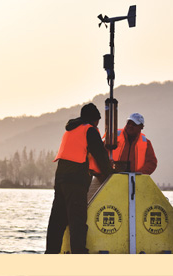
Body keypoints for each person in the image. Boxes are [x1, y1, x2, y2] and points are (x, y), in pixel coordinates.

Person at [45, 103, 113, 254]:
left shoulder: (70, 130)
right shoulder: (89, 130)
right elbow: (100, 156)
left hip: (61, 178)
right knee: (77, 221)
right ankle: (79, 253)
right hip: (76, 180)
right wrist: (110, 173)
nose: (98, 125)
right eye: (98, 121)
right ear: (94, 119)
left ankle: (50, 253)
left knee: (57, 220)